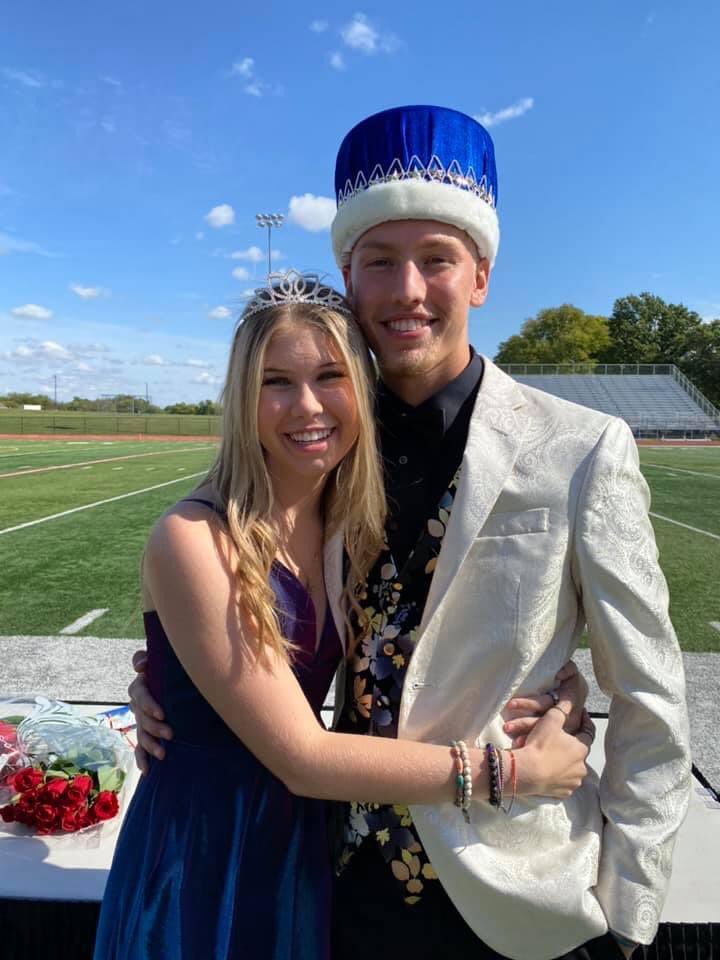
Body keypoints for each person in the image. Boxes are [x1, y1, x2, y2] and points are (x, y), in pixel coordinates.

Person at [130, 106, 692, 960]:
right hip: (336, 890)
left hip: (517, 898)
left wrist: (629, 917)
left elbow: (652, 695)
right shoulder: (322, 455)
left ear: (481, 276)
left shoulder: (580, 450)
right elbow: (247, 611)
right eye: (379, 262)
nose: (406, 291)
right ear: (349, 280)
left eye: (436, 258)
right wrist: (170, 682)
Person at [97, 271, 593, 960]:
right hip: (206, 845)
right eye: (275, 382)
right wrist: (514, 774)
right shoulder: (193, 537)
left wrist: (564, 690)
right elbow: (303, 756)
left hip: (306, 841)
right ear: (242, 397)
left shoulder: (344, 521)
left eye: (331, 375)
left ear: (362, 389)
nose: (307, 407)